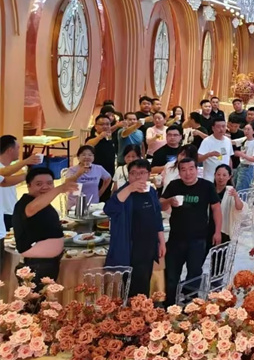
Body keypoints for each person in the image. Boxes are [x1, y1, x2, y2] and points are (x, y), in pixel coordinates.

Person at [160, 158, 221, 306]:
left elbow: (216, 208)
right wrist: (169, 201)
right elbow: (160, 204)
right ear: (179, 172)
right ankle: (170, 304)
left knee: (194, 274)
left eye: (191, 169)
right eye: (184, 170)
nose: (188, 173)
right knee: (172, 273)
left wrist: (217, 231)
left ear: (196, 169)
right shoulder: (174, 185)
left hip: (198, 238)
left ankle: (190, 305)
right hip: (176, 238)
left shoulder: (206, 186)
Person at [104, 159, 166, 298]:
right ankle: (130, 309)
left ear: (149, 174)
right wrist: (130, 188)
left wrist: (161, 241)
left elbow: (157, 217)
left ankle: (142, 307)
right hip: (130, 247)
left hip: (149, 246)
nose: (137, 176)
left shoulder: (151, 191)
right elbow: (109, 209)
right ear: (128, 175)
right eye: (133, 173)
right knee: (130, 286)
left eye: (142, 173)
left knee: (144, 282)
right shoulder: (124, 192)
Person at [12, 168, 78, 292]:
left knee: (45, 300)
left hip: (48, 263)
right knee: (34, 301)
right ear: (28, 185)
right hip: (35, 264)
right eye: (39, 184)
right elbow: (31, 209)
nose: (45, 187)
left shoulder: (44, 202)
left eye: (49, 183)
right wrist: (60, 189)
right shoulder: (25, 202)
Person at [1, 135, 42, 233]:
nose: (19, 151)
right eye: (18, 148)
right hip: (4, 213)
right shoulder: (5, 169)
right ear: (10, 150)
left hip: (11, 211)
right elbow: (5, 178)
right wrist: (27, 163)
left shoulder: (11, 168)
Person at [86, 114, 118, 200]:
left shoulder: (110, 139)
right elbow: (88, 145)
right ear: (96, 126)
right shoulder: (92, 138)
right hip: (94, 173)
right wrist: (100, 137)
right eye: (102, 124)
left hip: (109, 172)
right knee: (93, 197)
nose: (105, 126)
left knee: (106, 197)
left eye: (107, 124)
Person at [211, 164, 245, 245]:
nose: (221, 177)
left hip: (224, 229)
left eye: (224, 175)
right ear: (214, 175)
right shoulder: (210, 189)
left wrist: (236, 196)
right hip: (209, 226)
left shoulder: (230, 191)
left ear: (229, 177)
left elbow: (239, 208)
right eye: (218, 174)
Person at [234, 122, 254, 191]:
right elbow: (233, 142)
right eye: (245, 129)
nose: (246, 131)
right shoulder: (244, 139)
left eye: (248, 129)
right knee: (236, 185)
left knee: (241, 189)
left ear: (253, 131)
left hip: (247, 168)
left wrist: (242, 155)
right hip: (241, 166)